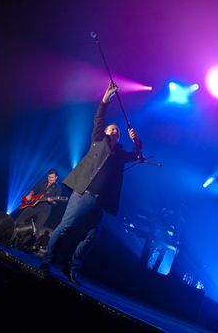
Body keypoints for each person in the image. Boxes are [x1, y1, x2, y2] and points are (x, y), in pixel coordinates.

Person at [39, 83, 143, 285]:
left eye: (117, 131)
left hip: (101, 203)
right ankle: (46, 261)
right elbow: (99, 119)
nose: (114, 131)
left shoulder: (120, 154)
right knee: (65, 228)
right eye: (111, 129)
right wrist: (106, 98)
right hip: (83, 194)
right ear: (105, 132)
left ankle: (72, 269)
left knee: (90, 238)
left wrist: (136, 141)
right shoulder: (98, 140)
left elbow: (138, 156)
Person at [15, 168, 62, 249]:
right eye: (49, 177)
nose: (50, 179)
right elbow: (33, 189)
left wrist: (51, 200)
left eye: (52, 177)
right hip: (34, 205)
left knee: (37, 228)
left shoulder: (58, 188)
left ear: (56, 177)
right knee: (20, 218)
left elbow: (55, 202)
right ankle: (10, 230)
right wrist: (30, 194)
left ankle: (26, 245)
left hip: (45, 210)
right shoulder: (42, 182)